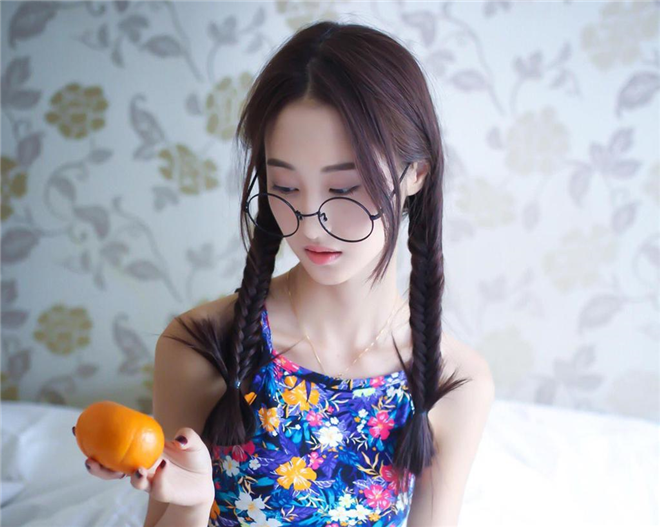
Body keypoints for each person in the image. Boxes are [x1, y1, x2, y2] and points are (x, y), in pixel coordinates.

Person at [80, 20, 495, 527]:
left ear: (416, 173)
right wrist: (192, 501)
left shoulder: (453, 382)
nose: (311, 223)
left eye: (344, 188)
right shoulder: (205, 347)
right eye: (286, 186)